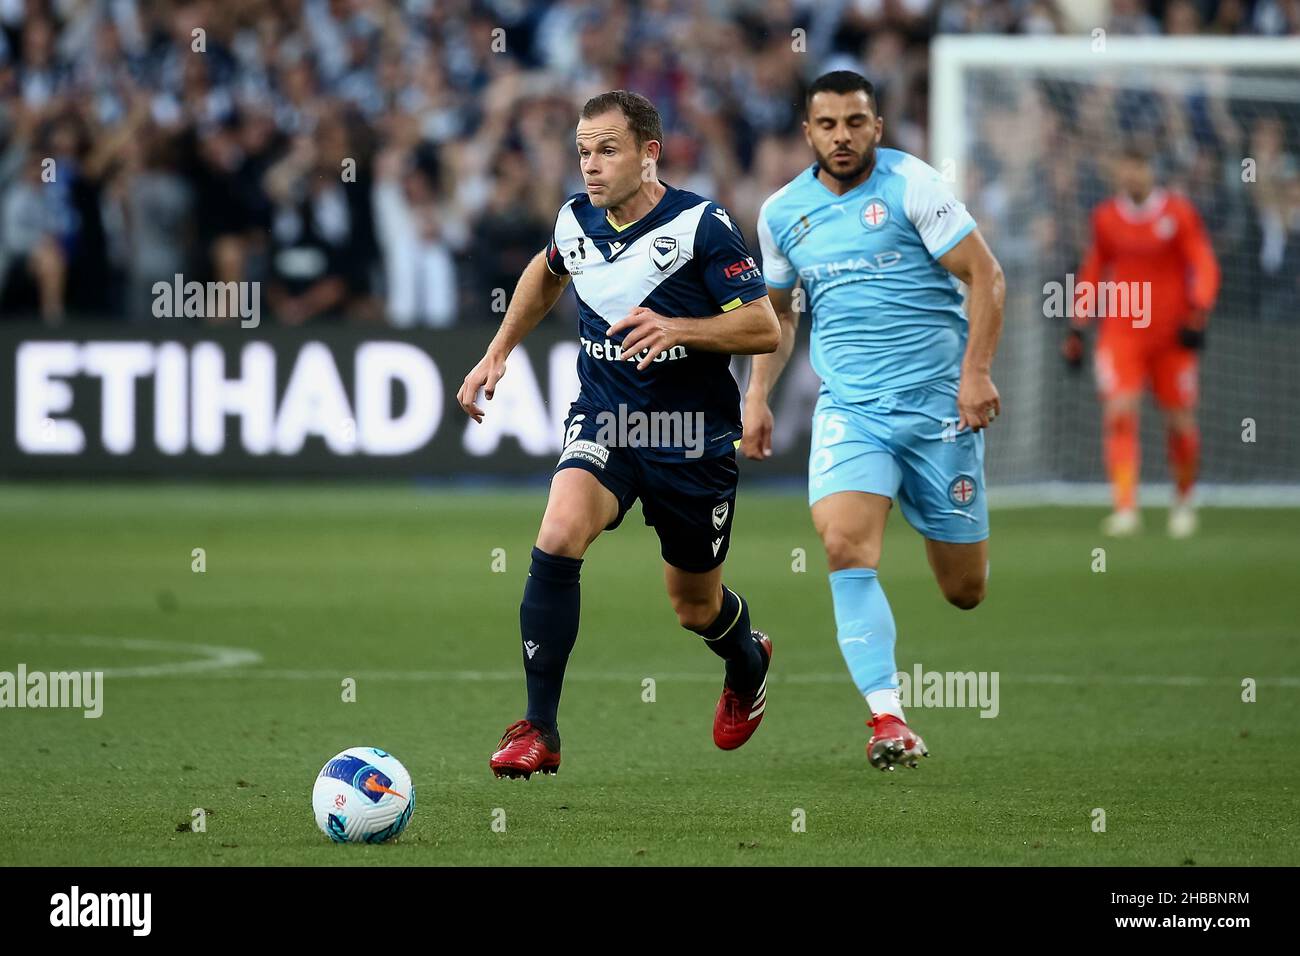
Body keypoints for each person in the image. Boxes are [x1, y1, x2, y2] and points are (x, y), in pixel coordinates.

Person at [457, 90, 781, 778]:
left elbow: (763, 326)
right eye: (583, 152)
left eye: (607, 150)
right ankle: (539, 730)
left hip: (691, 436)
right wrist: (499, 350)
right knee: (557, 534)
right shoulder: (576, 219)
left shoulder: (702, 225)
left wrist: (682, 328)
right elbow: (547, 273)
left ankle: (747, 658)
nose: (592, 166)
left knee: (695, 607)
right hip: (608, 417)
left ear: (648, 153)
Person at [744, 71, 1006, 771]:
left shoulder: (912, 186)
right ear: (807, 132)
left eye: (855, 123)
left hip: (938, 412)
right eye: (826, 125)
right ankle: (887, 718)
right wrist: (757, 394)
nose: (841, 137)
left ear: (877, 127)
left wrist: (975, 373)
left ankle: (937, 516)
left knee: (965, 590)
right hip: (851, 411)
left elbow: (988, 276)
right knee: (843, 546)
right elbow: (778, 313)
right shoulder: (781, 213)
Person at [1064, 146, 1220, 537]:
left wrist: (1199, 310)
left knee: (1180, 421)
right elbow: (1094, 269)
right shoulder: (1106, 218)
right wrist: (1077, 325)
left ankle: (1184, 500)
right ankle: (1125, 507)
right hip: (1122, 332)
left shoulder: (1178, 214)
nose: (1132, 177)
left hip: (1172, 335)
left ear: (1152, 170)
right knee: (1119, 413)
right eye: (1126, 169)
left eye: (1139, 168)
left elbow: (1202, 262)